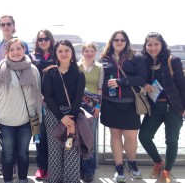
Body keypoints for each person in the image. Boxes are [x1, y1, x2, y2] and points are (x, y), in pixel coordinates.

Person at [0, 38, 42, 183]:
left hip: (26, 120)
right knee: (8, 154)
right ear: (6, 52)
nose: (15, 52)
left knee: (23, 154)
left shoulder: (33, 69)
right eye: (11, 49)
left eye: (18, 48)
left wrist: (39, 119)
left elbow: (37, 95)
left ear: (24, 50)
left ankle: (23, 179)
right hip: (5, 121)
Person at [99, 30, 146, 183]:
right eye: (116, 40)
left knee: (131, 137)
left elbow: (141, 78)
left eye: (122, 40)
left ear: (126, 42)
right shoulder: (104, 58)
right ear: (111, 42)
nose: (119, 42)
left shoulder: (136, 57)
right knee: (115, 135)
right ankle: (118, 166)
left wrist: (121, 82)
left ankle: (131, 162)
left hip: (130, 104)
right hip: (110, 103)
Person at [139, 32, 185, 183]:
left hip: (173, 106)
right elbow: (141, 80)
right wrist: (144, 84)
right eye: (149, 44)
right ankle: (159, 163)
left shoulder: (173, 61)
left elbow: (182, 85)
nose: (152, 48)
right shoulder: (145, 63)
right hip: (155, 107)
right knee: (144, 136)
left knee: (171, 141)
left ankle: (166, 171)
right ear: (145, 46)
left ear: (162, 45)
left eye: (156, 44)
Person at [42, 39, 85, 183]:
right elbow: (48, 97)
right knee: (54, 150)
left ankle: (71, 180)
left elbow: (78, 99)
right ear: (56, 54)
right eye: (60, 51)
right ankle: (54, 179)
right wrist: (62, 117)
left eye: (67, 50)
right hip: (54, 115)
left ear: (72, 53)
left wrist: (70, 119)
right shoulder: (49, 73)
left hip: (72, 116)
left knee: (71, 149)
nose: (64, 53)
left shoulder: (79, 74)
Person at [0, 14, 29, 178]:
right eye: (3, 24)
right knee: (7, 146)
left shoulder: (21, 43)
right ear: (0, 26)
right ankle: (7, 167)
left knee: (21, 149)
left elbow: (28, 66)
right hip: (3, 97)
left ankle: (19, 173)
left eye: (9, 24)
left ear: (13, 26)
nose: (6, 27)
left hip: (21, 100)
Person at [29, 29, 56, 180]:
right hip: (35, 103)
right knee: (38, 135)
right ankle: (41, 167)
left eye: (46, 39)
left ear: (51, 40)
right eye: (40, 39)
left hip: (53, 103)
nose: (43, 41)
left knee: (53, 136)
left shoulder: (57, 56)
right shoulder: (31, 57)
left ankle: (52, 166)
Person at [77, 42, 104, 182]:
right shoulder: (76, 66)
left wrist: (98, 106)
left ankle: (89, 170)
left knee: (90, 138)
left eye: (91, 51)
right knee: (78, 137)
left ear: (95, 52)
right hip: (78, 106)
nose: (89, 53)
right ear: (82, 52)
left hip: (92, 107)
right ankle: (80, 167)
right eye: (86, 51)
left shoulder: (100, 67)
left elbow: (100, 88)